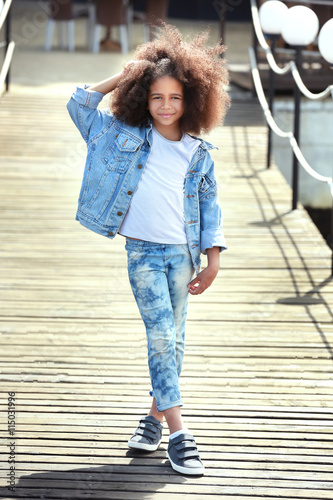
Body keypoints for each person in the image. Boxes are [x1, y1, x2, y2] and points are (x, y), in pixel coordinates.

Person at [67, 24, 230, 476]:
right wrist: (124, 76)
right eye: (156, 96)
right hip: (142, 253)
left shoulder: (197, 152)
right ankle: (180, 433)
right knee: (160, 335)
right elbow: (78, 104)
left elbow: (209, 205)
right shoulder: (121, 135)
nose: (165, 105)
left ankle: (152, 421)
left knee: (173, 340)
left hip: (183, 255)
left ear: (192, 100)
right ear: (143, 97)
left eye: (175, 97)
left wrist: (213, 259)